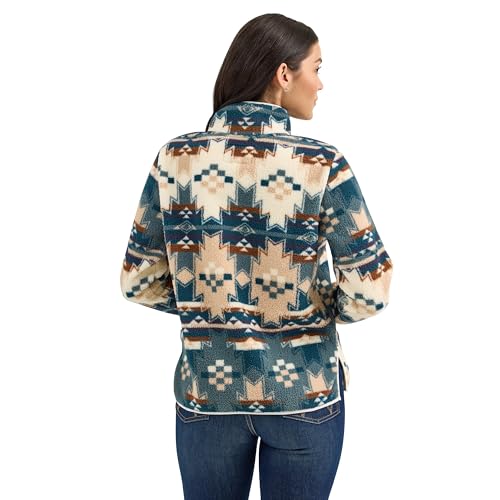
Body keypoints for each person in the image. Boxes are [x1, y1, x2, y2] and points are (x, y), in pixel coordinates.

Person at [120, 12, 393, 500]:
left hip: (207, 393)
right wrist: (310, 309)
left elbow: (138, 281)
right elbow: (370, 289)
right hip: (303, 393)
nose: (321, 83)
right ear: (284, 74)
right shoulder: (322, 164)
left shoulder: (175, 159)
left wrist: (210, 307)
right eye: (316, 68)